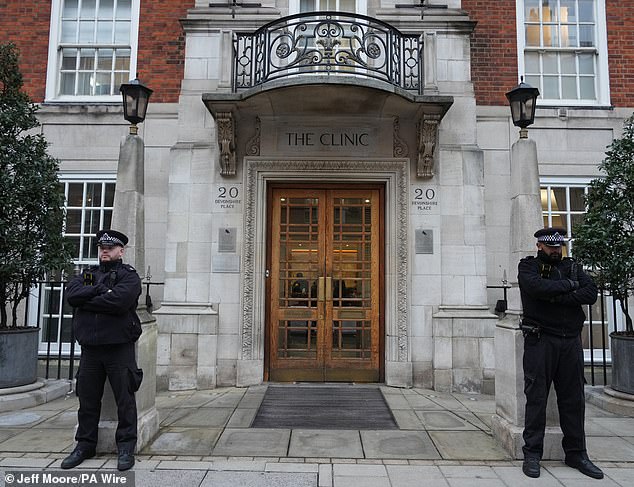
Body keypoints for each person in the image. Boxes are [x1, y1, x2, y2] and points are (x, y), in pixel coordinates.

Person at [518, 227, 603, 479]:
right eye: (551, 247)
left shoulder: (573, 267)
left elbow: (590, 294)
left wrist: (556, 294)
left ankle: (577, 453)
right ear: (539, 246)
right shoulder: (528, 267)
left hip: (570, 342)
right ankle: (532, 454)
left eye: (559, 246)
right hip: (540, 339)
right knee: (536, 399)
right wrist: (568, 288)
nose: (556, 250)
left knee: (573, 400)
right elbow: (535, 289)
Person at [61, 230, 143, 471]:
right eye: (101, 247)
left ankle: (126, 447)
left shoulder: (129, 277)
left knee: (125, 400)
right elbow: (73, 295)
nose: (104, 251)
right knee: (87, 400)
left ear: (121, 251)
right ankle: (84, 445)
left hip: (118, 347)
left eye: (110, 248)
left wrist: (88, 301)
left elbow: (119, 302)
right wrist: (98, 291)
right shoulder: (90, 275)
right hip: (91, 350)